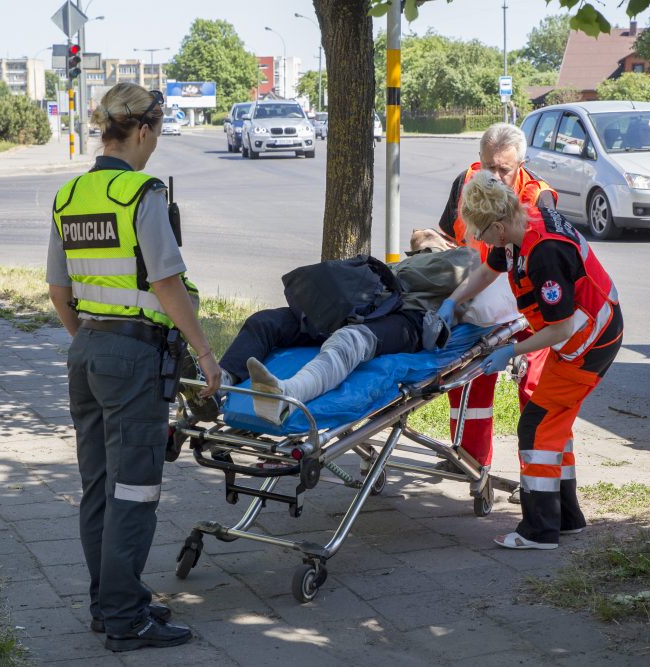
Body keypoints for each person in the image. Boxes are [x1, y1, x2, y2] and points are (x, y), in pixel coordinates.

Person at [46, 83, 219, 652]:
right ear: (142, 130)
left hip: (87, 351)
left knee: (98, 486)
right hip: (134, 357)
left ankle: (109, 603)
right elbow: (166, 282)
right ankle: (126, 618)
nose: (157, 142)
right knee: (135, 489)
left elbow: (59, 291)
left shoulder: (70, 195)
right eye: (158, 131)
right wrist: (204, 351)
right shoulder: (141, 194)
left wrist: (89, 342)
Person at [444, 171, 623, 549]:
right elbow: (488, 271)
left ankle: (539, 531)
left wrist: (509, 352)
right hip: (585, 336)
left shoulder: (543, 254)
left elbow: (559, 329)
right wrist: (452, 301)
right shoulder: (517, 225)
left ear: (497, 226)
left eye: (481, 233)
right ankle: (567, 518)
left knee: (536, 427)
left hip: (587, 343)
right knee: (554, 423)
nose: (480, 240)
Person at [217, 248, 476, 425]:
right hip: (367, 304)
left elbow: (480, 280)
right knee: (266, 321)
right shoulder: (418, 257)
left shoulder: (466, 259)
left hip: (409, 318)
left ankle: (288, 396)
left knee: (350, 340)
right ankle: (217, 384)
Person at [435, 123, 558, 473]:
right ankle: (469, 460)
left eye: (505, 169)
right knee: (466, 383)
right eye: (489, 166)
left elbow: (549, 266)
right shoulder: (466, 183)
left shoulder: (538, 197)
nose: (496, 176)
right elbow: (452, 240)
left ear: (521, 165)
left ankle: (536, 476)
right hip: (481, 301)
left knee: (535, 389)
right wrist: (452, 299)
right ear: (480, 157)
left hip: (530, 307)